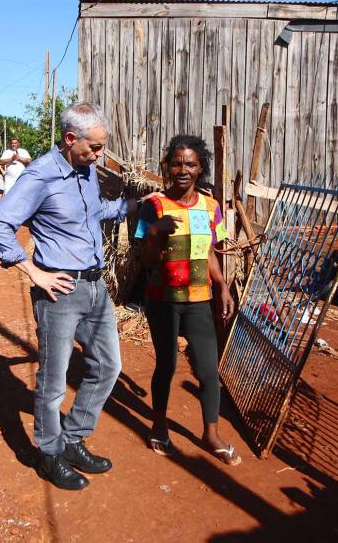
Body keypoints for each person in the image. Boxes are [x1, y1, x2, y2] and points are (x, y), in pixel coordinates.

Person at [0, 102, 152, 491]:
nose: (100, 156)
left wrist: (131, 206)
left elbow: (94, 214)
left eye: (102, 148)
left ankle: (73, 439)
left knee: (108, 367)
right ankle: (49, 453)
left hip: (96, 288)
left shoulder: (87, 170)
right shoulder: (40, 175)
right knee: (53, 380)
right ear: (70, 138)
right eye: (94, 148)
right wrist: (34, 272)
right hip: (59, 293)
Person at [134, 134, 241, 466]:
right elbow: (146, 262)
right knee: (166, 365)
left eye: (190, 164)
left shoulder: (210, 207)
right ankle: (160, 425)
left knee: (208, 370)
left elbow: (209, 252)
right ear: (168, 166)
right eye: (177, 163)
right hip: (162, 299)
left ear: (200, 168)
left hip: (198, 298)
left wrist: (222, 286)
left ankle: (211, 434)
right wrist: (154, 233)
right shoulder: (152, 206)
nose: (183, 169)